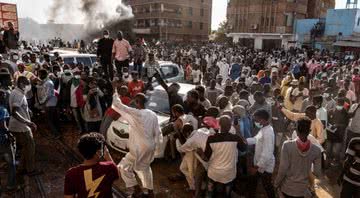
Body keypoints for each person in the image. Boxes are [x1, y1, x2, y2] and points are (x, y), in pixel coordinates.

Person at [112, 90, 160, 197]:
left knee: (136, 168)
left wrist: (115, 92)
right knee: (134, 167)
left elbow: (118, 105)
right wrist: (156, 147)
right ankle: (144, 190)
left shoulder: (137, 113)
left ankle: (142, 190)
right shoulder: (152, 114)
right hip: (148, 146)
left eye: (135, 101)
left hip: (140, 147)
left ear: (137, 102)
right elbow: (158, 132)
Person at [274, 118, 322, 198]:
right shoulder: (316, 150)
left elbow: (283, 169)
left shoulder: (287, 145)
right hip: (302, 191)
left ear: (296, 131)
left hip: (287, 189)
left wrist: (276, 184)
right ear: (309, 131)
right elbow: (317, 172)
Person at [64, 133, 119, 198]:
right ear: (98, 152)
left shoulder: (71, 173)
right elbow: (117, 176)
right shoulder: (109, 167)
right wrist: (107, 155)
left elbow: (68, 197)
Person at [204, 115, 247, 198]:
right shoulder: (236, 138)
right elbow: (244, 148)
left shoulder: (211, 139)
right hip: (229, 173)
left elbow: (206, 158)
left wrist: (200, 152)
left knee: (209, 192)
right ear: (230, 126)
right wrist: (238, 131)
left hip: (214, 172)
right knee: (227, 194)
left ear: (219, 125)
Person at [8, 76, 38, 175]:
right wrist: (28, 122)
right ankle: (31, 170)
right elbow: (14, 112)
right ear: (21, 84)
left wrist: (27, 110)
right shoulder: (18, 94)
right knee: (30, 147)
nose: (29, 86)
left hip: (18, 126)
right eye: (27, 83)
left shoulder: (16, 92)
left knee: (26, 147)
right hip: (21, 127)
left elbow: (18, 108)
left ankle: (22, 168)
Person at [247, 109, 276, 198]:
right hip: (260, 163)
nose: (255, 122)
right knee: (253, 182)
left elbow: (267, 153)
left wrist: (256, 167)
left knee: (267, 185)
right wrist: (246, 141)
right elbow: (256, 139)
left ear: (262, 120)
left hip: (265, 165)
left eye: (256, 120)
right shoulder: (264, 129)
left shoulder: (268, 133)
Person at [0, 90, 16, 190]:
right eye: (4, 96)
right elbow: (3, 126)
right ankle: (11, 185)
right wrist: (10, 135)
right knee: (11, 163)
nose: (5, 97)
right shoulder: (2, 110)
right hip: (3, 141)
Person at [37, 69, 60, 138]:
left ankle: (56, 134)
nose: (39, 76)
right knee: (52, 119)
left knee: (49, 120)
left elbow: (48, 95)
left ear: (44, 75)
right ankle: (56, 132)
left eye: (40, 74)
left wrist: (42, 102)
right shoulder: (46, 82)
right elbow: (42, 87)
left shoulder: (49, 83)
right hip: (49, 103)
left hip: (49, 104)